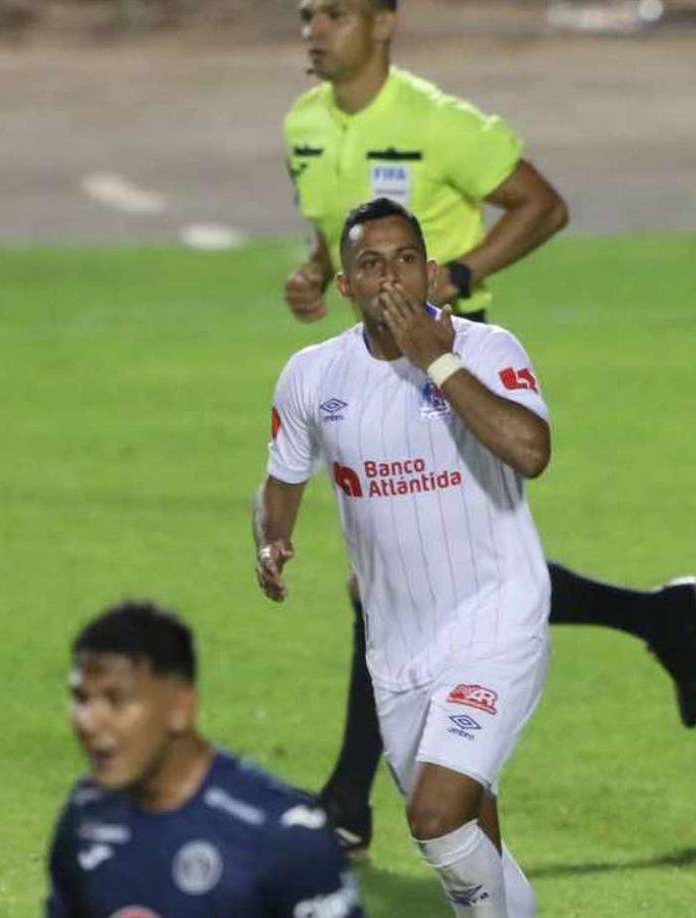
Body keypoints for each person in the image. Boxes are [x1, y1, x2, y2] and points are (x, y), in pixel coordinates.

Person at [282, 0, 696, 856]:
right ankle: (656, 617)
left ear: (384, 22)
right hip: (374, 376)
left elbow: (544, 207)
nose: (315, 30)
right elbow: (339, 241)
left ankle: (349, 801)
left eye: (334, 13)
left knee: (407, 581)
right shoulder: (303, 127)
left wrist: (458, 276)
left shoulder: (441, 123)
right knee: (413, 578)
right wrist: (315, 274)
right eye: (305, 15)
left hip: (449, 382)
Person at [255, 198, 558, 916]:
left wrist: (437, 358)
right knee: (467, 827)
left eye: (406, 260)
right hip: (398, 651)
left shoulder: (489, 350)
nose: (391, 277)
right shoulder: (312, 377)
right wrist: (270, 537)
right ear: (346, 287)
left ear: (428, 270)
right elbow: (281, 480)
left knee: (433, 815)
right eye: (370, 264)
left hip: (496, 622)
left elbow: (531, 451)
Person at [45, 600, 364, 917]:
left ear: (180, 708)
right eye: (81, 698)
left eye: (116, 699)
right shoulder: (87, 813)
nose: (89, 721)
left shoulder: (283, 837)